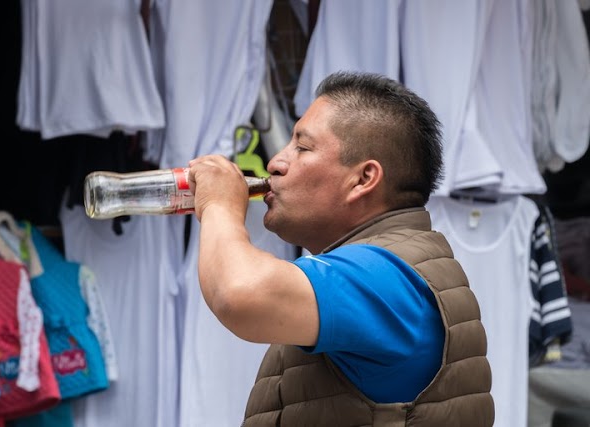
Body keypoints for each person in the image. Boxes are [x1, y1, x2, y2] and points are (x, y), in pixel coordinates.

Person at [188, 71, 494, 426]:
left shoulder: (384, 275)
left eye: (302, 148)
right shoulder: (389, 263)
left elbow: (238, 293)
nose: (275, 163)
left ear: (363, 179)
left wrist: (220, 206)